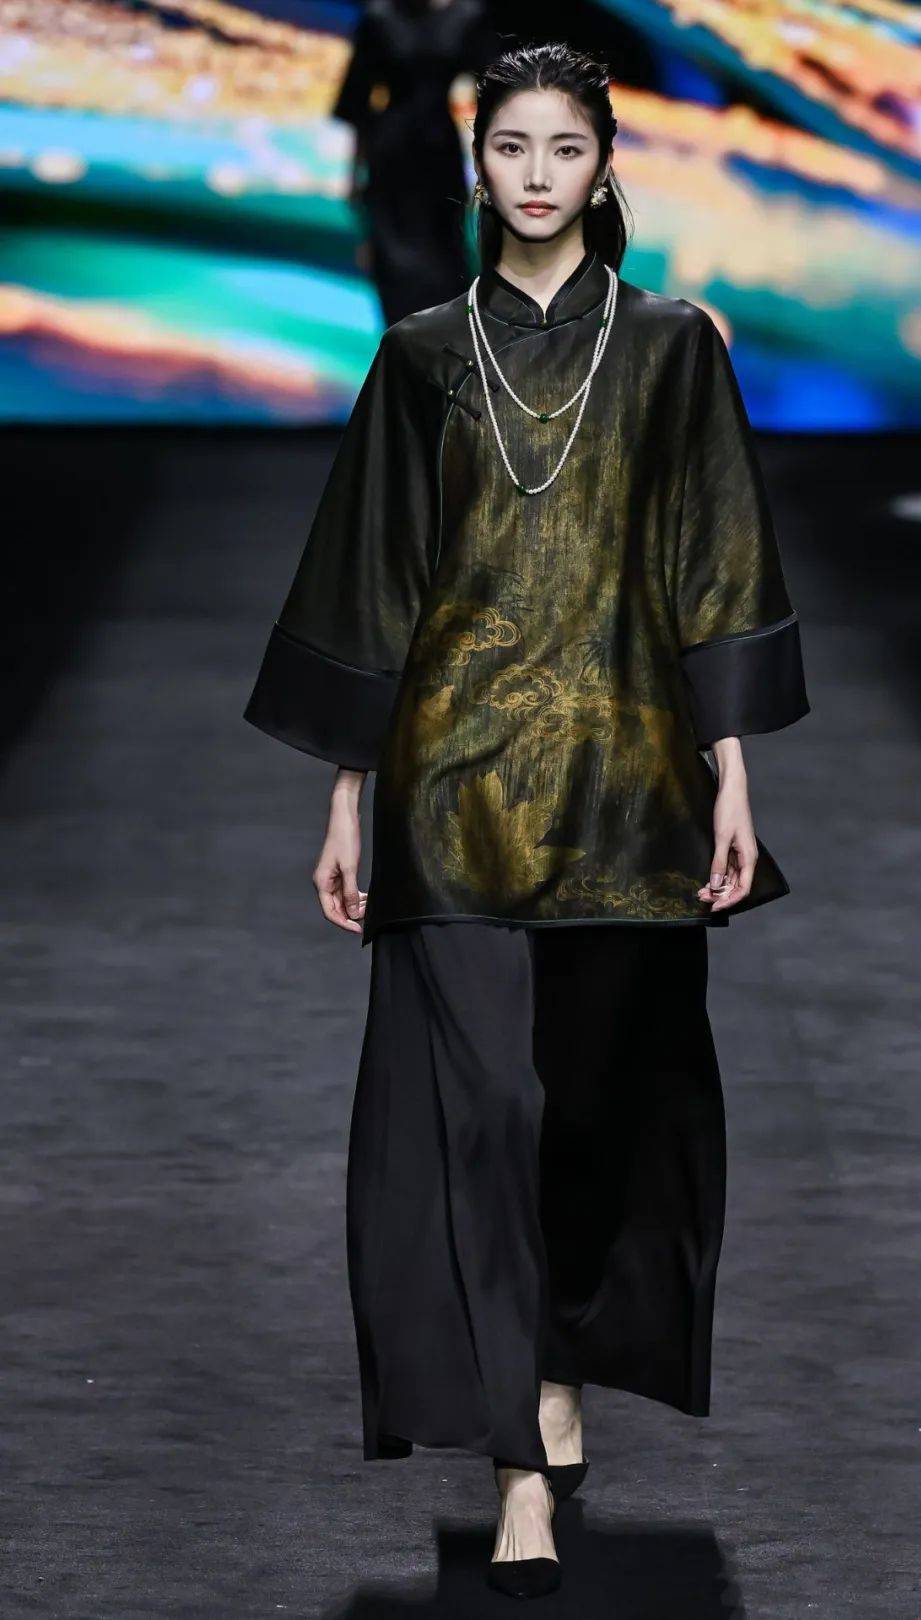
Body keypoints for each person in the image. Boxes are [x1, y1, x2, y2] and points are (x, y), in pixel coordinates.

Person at [244, 40, 810, 1601]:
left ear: (605, 167)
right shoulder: (421, 357)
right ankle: (517, 1469)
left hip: (630, 784)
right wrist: (347, 794)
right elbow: (372, 577)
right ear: (478, 166)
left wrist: (734, 769)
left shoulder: (675, 348)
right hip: (454, 781)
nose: (539, 173)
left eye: (567, 148)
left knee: (593, 1116)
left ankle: (556, 1364)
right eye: (512, 147)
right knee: (483, 1116)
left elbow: (714, 557)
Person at [332, 0, 501, 324]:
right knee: (395, 277)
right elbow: (358, 104)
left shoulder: (466, 17)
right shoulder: (380, 18)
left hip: (438, 162)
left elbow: (496, 93)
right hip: (390, 162)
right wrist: (354, 177)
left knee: (446, 273)